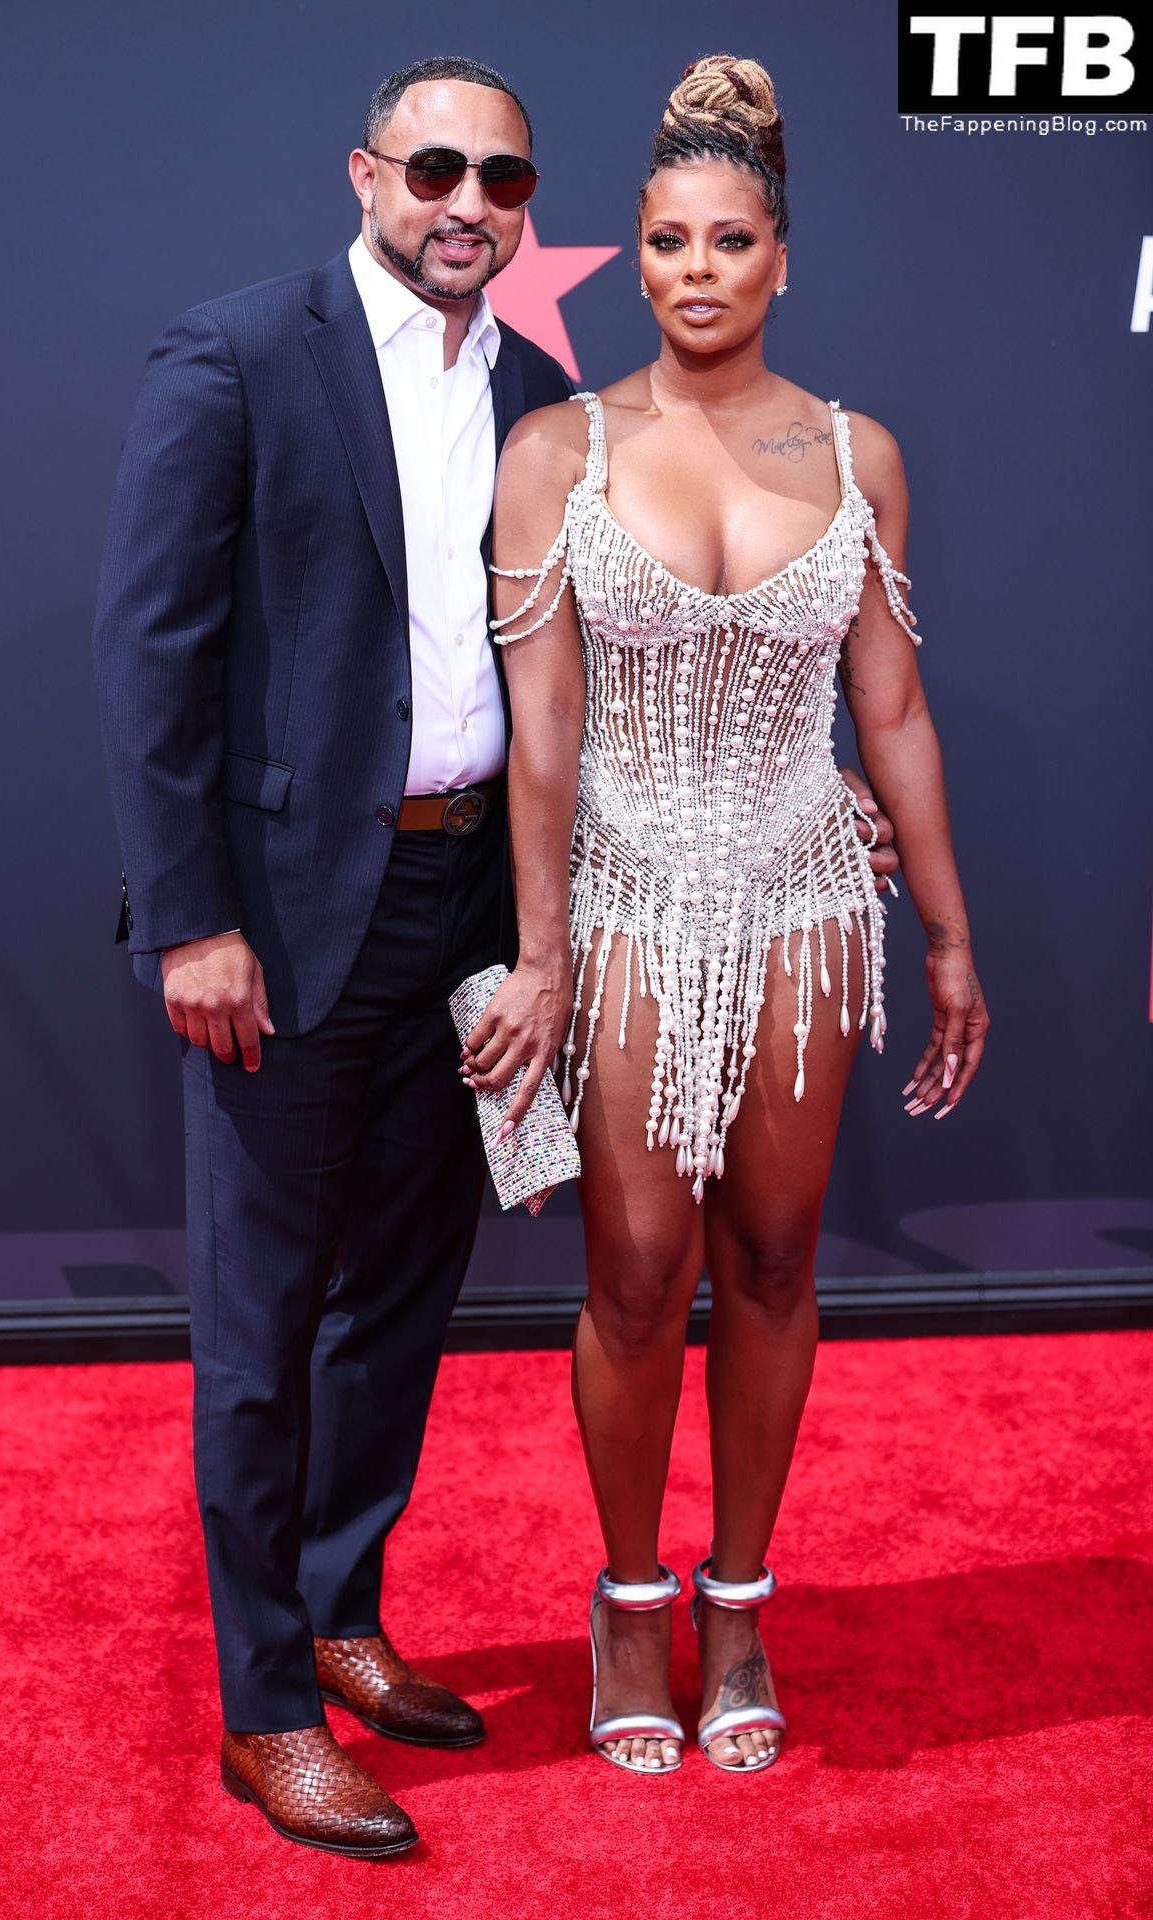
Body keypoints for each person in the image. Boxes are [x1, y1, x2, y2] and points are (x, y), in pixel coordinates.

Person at [464, 54, 988, 1779]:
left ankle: (740, 1599)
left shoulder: (854, 453)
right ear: (633, 253)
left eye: (732, 239)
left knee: (772, 1261)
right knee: (636, 1275)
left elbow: (891, 706)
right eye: (669, 239)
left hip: (803, 899)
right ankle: (630, 1601)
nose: (699, 269)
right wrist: (544, 952)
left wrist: (949, 935)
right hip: (625, 900)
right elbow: (544, 734)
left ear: (782, 258)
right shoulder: (556, 449)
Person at [92, 56, 574, 1858]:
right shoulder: (237, 353)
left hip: (467, 909)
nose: (469, 203)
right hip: (285, 922)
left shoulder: (537, 392)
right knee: (263, 1323)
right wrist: (192, 916)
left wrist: (543, 927)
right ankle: (267, 1706)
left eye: (502, 178)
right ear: (366, 173)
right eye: (437, 167)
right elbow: (150, 651)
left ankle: (341, 1608)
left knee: (405, 1298)